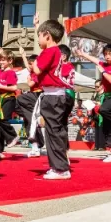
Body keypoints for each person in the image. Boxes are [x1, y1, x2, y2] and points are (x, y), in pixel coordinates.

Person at [30, 19, 70, 180]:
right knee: (53, 132)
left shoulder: (50, 51)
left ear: (47, 36)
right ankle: (58, 167)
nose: (38, 40)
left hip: (52, 96)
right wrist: (36, 27)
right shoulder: (54, 51)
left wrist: (33, 66)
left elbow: (38, 68)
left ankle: (60, 168)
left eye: (39, 36)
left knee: (53, 133)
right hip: (53, 95)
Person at [77, 44, 111, 163]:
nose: (107, 57)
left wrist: (103, 71)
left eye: (110, 54)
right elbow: (95, 60)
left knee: (103, 110)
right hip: (108, 98)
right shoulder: (103, 64)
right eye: (105, 54)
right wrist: (83, 54)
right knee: (107, 128)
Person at [17, 14, 46, 158]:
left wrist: (36, 26)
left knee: (21, 99)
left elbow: (31, 83)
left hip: (39, 95)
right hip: (33, 98)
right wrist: (23, 54)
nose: (29, 66)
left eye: (31, 63)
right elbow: (28, 67)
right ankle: (35, 146)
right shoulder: (33, 70)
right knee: (29, 120)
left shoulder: (39, 69)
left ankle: (39, 120)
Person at [0, 48, 20, 160]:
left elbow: (14, 87)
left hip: (8, 99)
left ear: (10, 61)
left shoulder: (10, 73)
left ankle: (13, 136)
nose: (1, 62)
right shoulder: (0, 72)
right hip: (0, 99)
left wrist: (2, 87)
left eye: (4, 60)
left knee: (2, 120)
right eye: (1, 60)